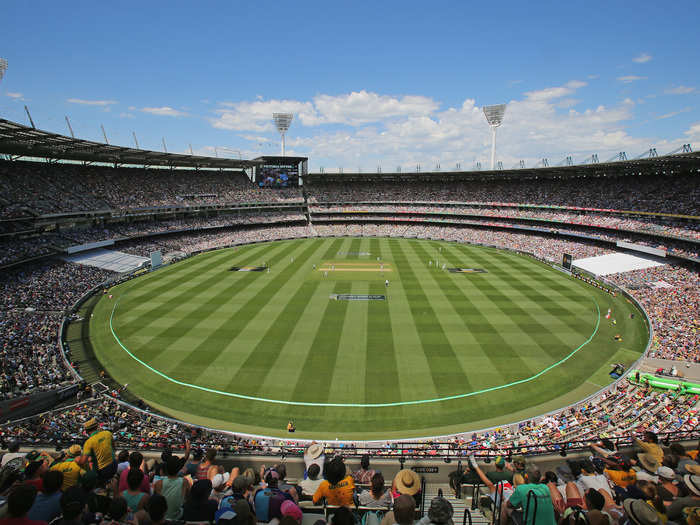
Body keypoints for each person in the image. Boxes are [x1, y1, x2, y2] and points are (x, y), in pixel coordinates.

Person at [153, 455, 189, 520]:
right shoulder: (184, 482)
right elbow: (187, 498)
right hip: (177, 516)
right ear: (179, 469)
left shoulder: (159, 483)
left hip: (162, 517)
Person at [82, 418, 116, 484]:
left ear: (86, 431)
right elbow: (114, 447)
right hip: (114, 464)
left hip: (103, 470)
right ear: (97, 426)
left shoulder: (88, 442)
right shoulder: (108, 433)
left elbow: (84, 461)